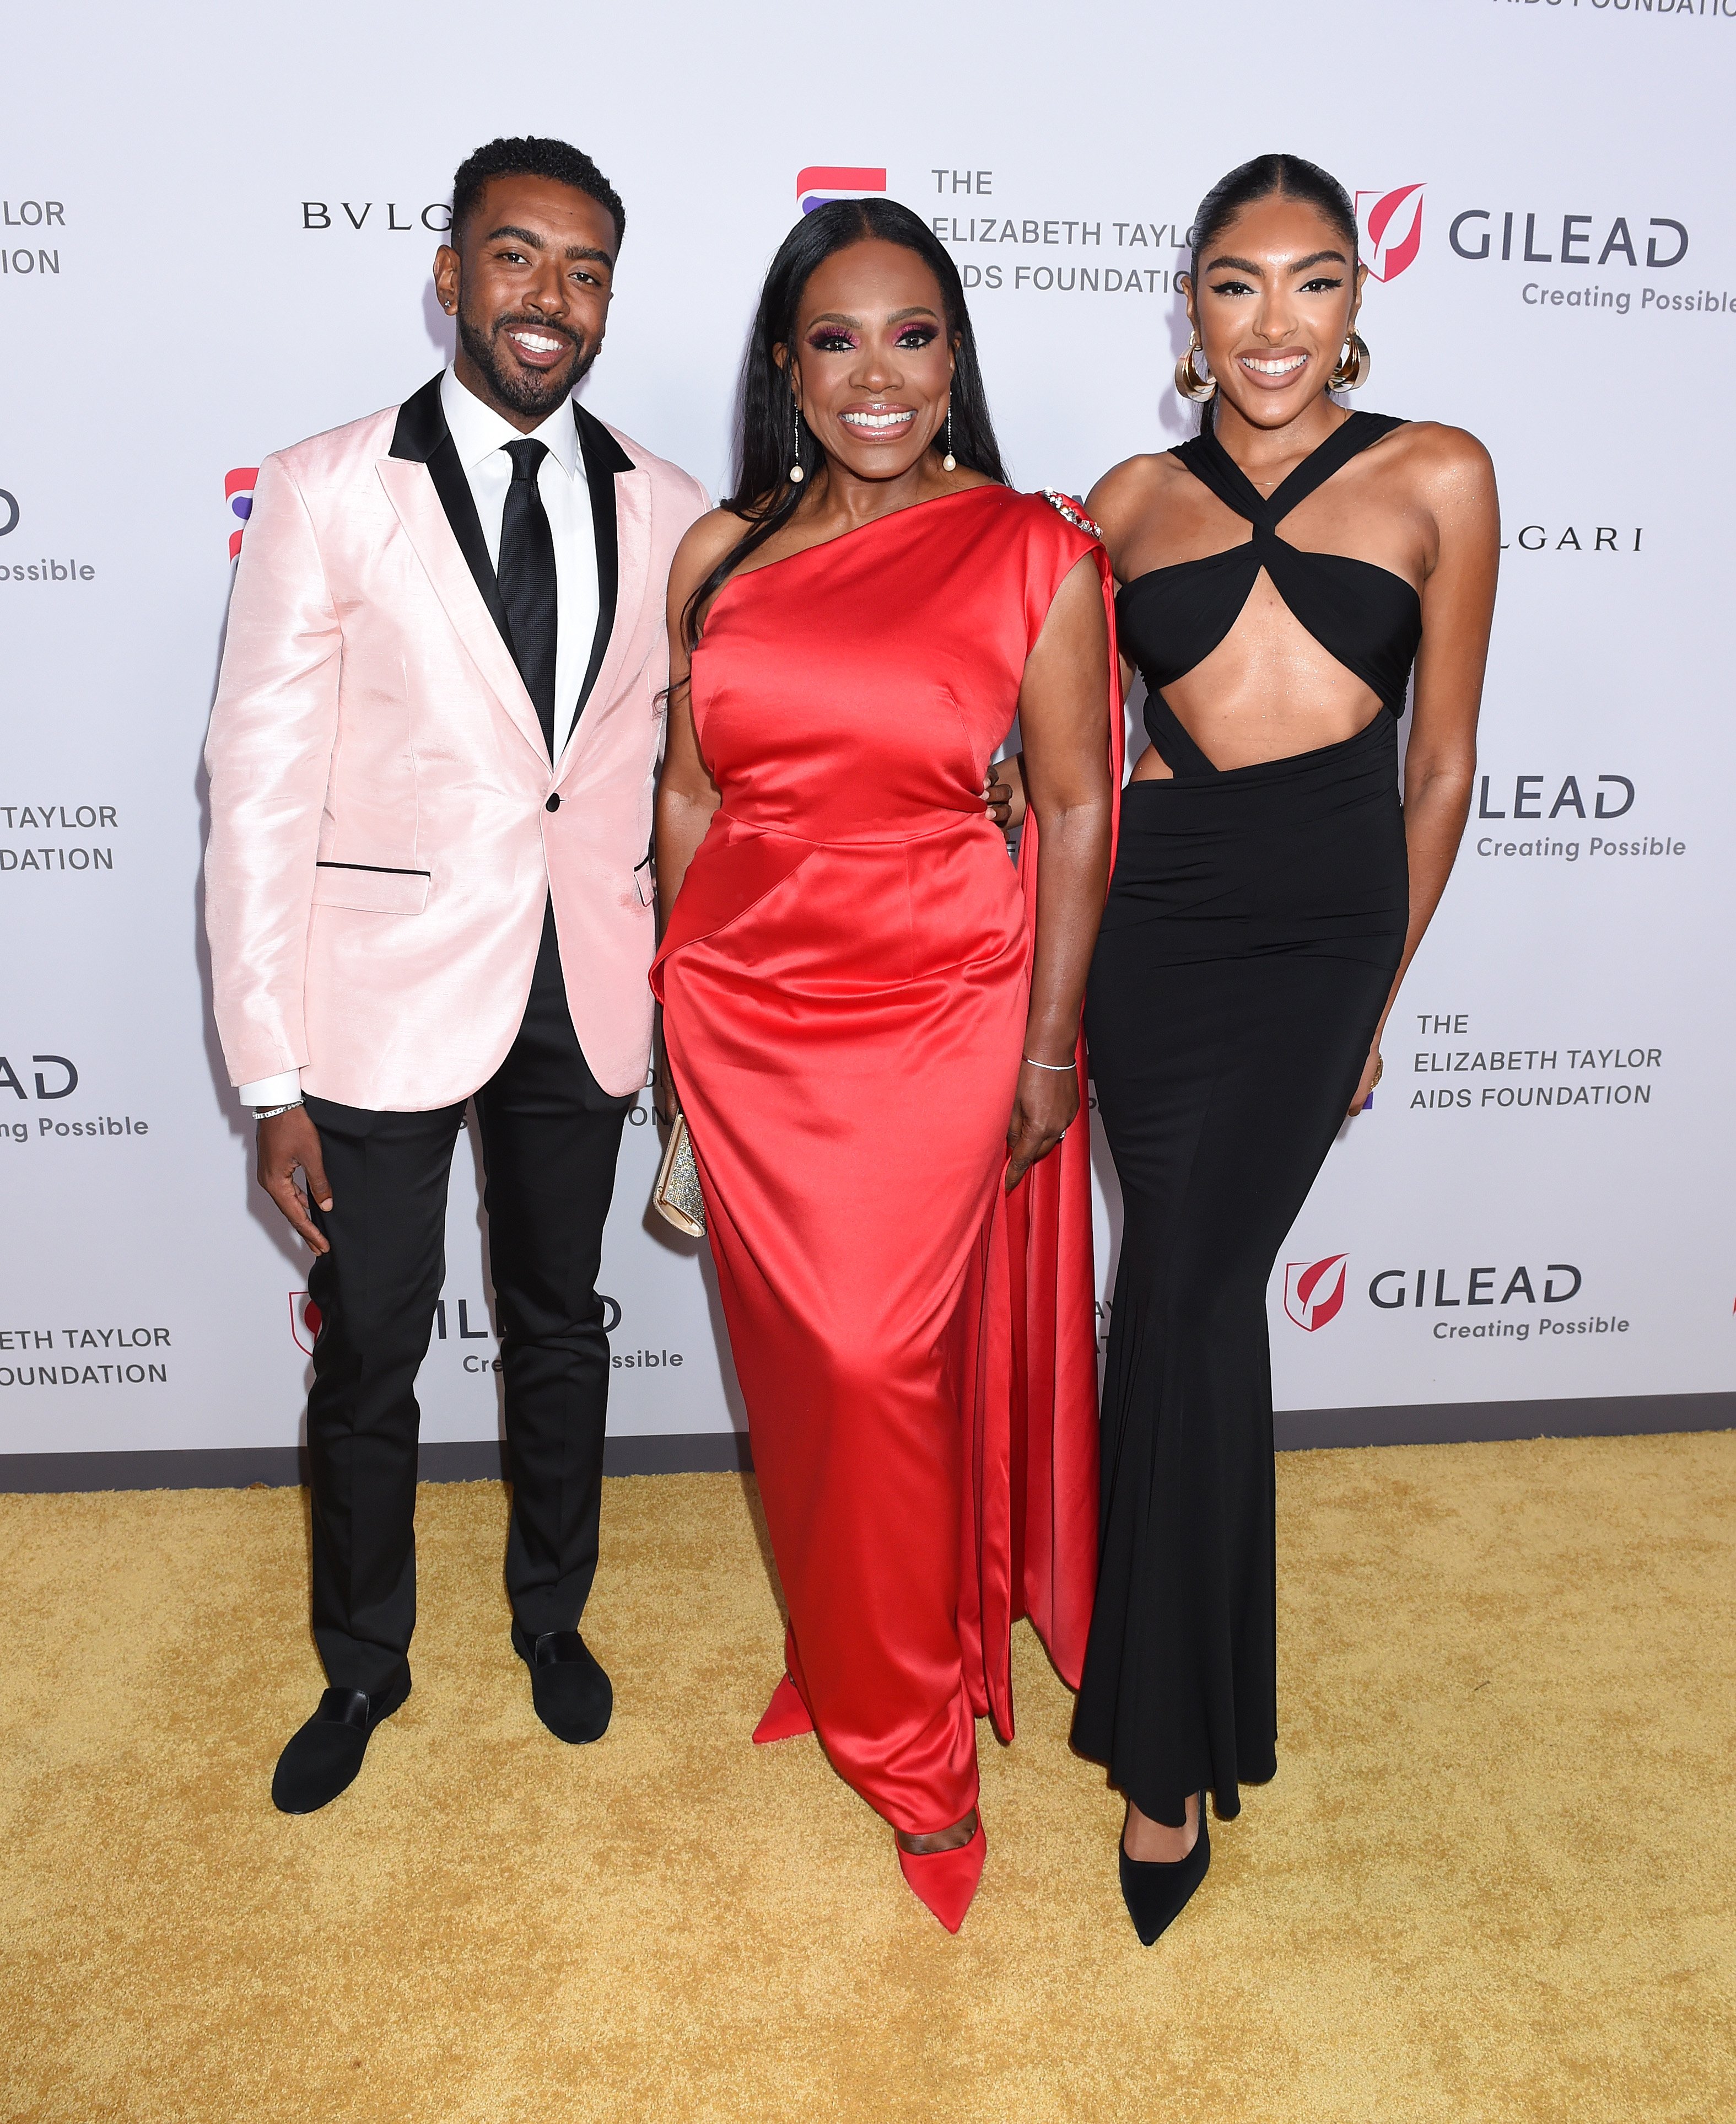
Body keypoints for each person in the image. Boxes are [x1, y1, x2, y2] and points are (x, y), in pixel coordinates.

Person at [203, 136, 708, 1814]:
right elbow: (261, 786)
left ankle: (549, 1616)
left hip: (589, 977)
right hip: (377, 993)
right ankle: (363, 1658)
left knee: (562, 1327)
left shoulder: (672, 506)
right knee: (371, 1344)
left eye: (583, 270)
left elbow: (699, 767)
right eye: (516, 260)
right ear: (450, 274)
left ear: (609, 296)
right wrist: (267, 1077)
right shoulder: (328, 485)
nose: (548, 299)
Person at [651, 200, 1117, 1931]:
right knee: (799, 1384)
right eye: (835, 339)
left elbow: (1076, 804)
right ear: (785, 363)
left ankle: (916, 1748)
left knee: (873, 1371)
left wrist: (1051, 1049)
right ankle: (850, 1661)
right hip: (744, 1016)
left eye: (912, 336)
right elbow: (692, 789)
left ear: (955, 356)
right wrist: (674, 997)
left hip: (939, 1008)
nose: (876, 375)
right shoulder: (721, 555)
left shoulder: (1032, 553)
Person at [1073, 153, 1496, 1940]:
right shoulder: (1122, 500)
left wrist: (1374, 1005)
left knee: (1177, 1293)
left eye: (1312, 283)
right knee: (1183, 1293)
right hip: (1152, 931)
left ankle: (1166, 1751)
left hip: (1325, 927)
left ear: (1356, 300)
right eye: (1237, 286)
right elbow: (1101, 748)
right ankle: (1196, 1714)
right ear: (1191, 307)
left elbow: (1446, 764)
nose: (1273, 325)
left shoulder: (1439, 473)